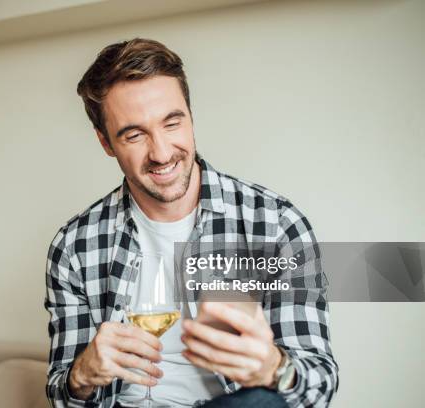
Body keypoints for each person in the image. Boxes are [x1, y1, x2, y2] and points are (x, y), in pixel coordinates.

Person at [44, 38, 338, 408]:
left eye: (172, 123)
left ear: (190, 115)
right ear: (105, 142)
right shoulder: (74, 246)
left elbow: (320, 385)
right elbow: (63, 398)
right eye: (134, 135)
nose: (162, 153)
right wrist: (80, 376)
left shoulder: (276, 224)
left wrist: (274, 369)